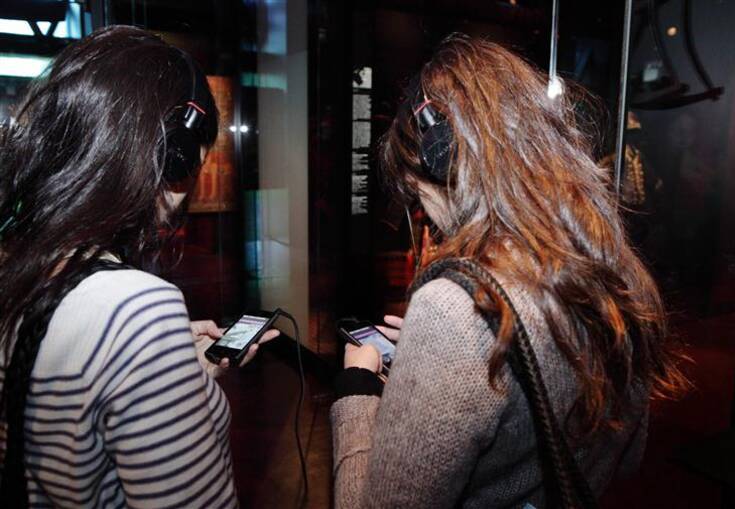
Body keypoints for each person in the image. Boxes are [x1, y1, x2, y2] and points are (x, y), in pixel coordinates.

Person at [331, 35, 688, 508]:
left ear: (443, 162)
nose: (428, 217)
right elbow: (626, 455)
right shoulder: (613, 264)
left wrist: (357, 390)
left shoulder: (452, 309)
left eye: (418, 193)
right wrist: (434, 363)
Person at [0, 26, 277, 507]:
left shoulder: (20, 269)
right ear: (174, 154)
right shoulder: (134, 307)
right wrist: (148, 344)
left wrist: (169, 376)